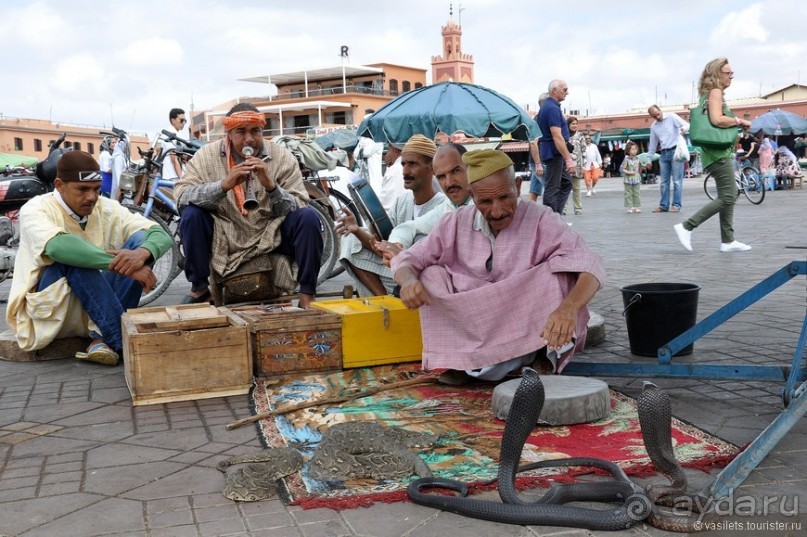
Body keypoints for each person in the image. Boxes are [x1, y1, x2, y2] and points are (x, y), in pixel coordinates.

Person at [391, 149, 605, 384]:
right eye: (485, 201)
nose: (497, 211)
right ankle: (464, 361)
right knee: (430, 275)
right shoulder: (455, 222)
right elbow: (408, 259)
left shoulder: (541, 218)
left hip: (523, 323)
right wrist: (408, 281)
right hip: (474, 322)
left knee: (559, 276)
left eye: (504, 197)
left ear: (518, 185)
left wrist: (568, 308)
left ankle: (540, 357)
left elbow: (590, 263)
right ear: (472, 195)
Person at [6, 150, 173, 366]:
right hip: (53, 312)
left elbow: (158, 234)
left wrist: (142, 254)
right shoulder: (36, 208)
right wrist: (121, 266)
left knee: (139, 246)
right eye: (82, 189)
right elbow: (58, 247)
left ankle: (102, 340)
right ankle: (121, 340)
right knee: (73, 258)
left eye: (96, 189)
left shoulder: (106, 207)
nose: (91, 197)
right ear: (59, 185)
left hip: (95, 307)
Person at [174, 103, 323, 308]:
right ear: (228, 133)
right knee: (191, 215)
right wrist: (223, 185)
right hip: (225, 233)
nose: (249, 139)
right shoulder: (206, 155)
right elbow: (181, 196)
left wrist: (271, 186)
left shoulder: (282, 156)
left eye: (255, 131)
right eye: (241, 132)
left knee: (308, 218)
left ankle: (308, 293)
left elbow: (298, 204)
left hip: (271, 233)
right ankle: (199, 289)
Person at [336, 134, 446, 296]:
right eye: (403, 164)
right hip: (395, 269)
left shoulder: (443, 206)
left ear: (431, 168)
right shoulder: (403, 201)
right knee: (351, 241)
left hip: (424, 277)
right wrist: (356, 230)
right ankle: (384, 303)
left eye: (413, 164)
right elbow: (383, 246)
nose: (405, 171)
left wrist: (391, 250)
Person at [674, 58, 753, 253]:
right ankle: (687, 226)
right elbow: (717, 119)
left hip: (715, 152)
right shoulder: (715, 92)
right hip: (718, 153)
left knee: (727, 194)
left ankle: (728, 241)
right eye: (728, 73)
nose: (731, 77)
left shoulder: (708, 94)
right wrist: (738, 120)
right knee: (730, 194)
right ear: (717, 74)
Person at [374, 142, 473, 261]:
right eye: (441, 176)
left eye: (456, 171)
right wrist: (396, 245)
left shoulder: (482, 203)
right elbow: (409, 227)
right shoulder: (449, 206)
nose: (449, 183)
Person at [537, 80, 575, 213]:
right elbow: (557, 136)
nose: (567, 92)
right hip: (554, 152)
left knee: (566, 183)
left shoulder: (550, 107)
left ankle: (555, 214)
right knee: (553, 187)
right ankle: (550, 218)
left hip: (553, 151)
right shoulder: (552, 108)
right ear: (554, 90)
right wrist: (569, 159)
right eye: (564, 89)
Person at [646, 104, 689, 213]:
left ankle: (676, 205)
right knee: (664, 182)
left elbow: (686, 124)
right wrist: (649, 159)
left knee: (677, 180)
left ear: (660, 110)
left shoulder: (671, 117)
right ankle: (664, 205)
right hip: (663, 153)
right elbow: (653, 143)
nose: (657, 117)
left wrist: (683, 129)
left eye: (658, 114)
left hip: (675, 151)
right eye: (654, 116)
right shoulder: (654, 126)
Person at [153, 108, 187, 182]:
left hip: (172, 174)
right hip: (172, 176)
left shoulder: (175, 134)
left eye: (185, 121)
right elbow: (174, 158)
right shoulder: (170, 134)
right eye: (181, 120)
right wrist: (181, 179)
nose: (183, 123)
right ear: (173, 120)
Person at [528, 92, 549, 202]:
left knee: (534, 189)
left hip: (536, 160)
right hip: (539, 160)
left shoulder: (536, 119)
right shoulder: (539, 120)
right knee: (551, 189)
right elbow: (533, 142)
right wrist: (538, 164)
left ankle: (530, 213)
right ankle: (552, 214)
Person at [564, 116, 585, 215]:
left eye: (576, 123)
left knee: (576, 188)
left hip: (577, 165)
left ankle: (578, 208)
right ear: (568, 125)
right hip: (566, 165)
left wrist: (584, 166)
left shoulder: (580, 136)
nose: (575, 125)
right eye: (572, 124)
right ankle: (563, 209)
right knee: (564, 188)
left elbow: (584, 151)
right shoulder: (563, 135)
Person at [378, 143, 405, 213]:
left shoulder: (394, 170)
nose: (387, 154)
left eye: (389, 150)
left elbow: (385, 204)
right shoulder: (396, 168)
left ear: (396, 152)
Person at [620, 141, 642, 213]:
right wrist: (629, 172)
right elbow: (622, 169)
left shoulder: (638, 159)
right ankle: (630, 206)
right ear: (628, 150)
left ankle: (636, 206)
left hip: (636, 178)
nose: (635, 150)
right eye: (632, 149)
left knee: (636, 192)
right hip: (628, 179)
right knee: (628, 193)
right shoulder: (626, 159)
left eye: (635, 149)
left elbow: (640, 167)